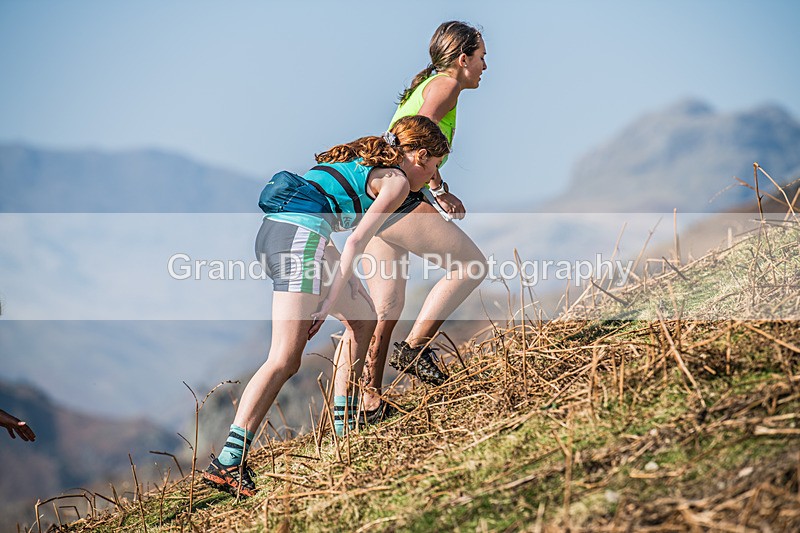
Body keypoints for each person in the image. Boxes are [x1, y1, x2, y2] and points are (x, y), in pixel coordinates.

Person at [202, 115, 450, 497]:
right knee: (285, 358)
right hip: (299, 240)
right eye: (434, 167)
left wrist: (338, 283)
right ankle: (229, 461)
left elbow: (328, 214)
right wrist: (326, 304)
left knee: (364, 318)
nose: (430, 179)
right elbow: (355, 242)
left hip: (283, 232)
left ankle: (345, 429)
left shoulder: (370, 161)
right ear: (419, 156)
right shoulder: (398, 182)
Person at [353, 21, 488, 421]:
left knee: (386, 306)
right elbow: (414, 136)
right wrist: (434, 188)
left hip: (375, 195)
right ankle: (414, 349)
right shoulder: (445, 86)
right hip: (398, 194)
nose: (486, 66)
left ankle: (369, 401)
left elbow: (413, 136)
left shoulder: (429, 84)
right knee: (471, 265)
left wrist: (438, 183)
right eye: (482, 57)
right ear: (462, 60)